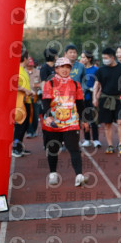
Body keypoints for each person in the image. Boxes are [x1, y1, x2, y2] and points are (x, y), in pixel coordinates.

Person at [41, 57, 89, 186]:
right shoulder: (50, 84)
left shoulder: (75, 84)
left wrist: (84, 120)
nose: (65, 69)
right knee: (53, 148)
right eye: (62, 67)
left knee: (74, 148)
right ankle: (53, 174)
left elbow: (80, 104)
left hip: (71, 122)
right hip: (53, 123)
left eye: (68, 67)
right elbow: (45, 102)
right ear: (56, 69)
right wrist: (48, 116)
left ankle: (79, 175)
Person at [92, 47, 121, 154]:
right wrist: (94, 98)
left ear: (112, 57)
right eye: (103, 58)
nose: (104, 60)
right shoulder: (100, 70)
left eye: (106, 58)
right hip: (105, 99)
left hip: (120, 99)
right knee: (107, 123)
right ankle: (110, 145)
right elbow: (96, 85)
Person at [13, 49, 34, 157]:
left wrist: (30, 92)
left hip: (27, 101)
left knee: (25, 126)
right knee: (20, 126)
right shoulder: (16, 70)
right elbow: (13, 84)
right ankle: (15, 147)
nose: (29, 59)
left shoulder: (23, 70)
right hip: (20, 102)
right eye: (28, 57)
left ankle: (19, 147)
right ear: (25, 58)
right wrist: (25, 90)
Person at [79, 51, 101, 148]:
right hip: (82, 97)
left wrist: (96, 95)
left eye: (84, 57)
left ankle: (96, 139)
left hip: (92, 96)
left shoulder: (96, 70)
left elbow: (99, 83)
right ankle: (87, 139)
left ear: (89, 59)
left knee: (94, 118)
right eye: (81, 57)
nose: (82, 59)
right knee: (84, 118)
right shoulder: (80, 69)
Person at [25, 56, 42, 138]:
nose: (30, 65)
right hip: (25, 97)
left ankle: (33, 130)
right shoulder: (23, 72)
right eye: (28, 64)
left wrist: (37, 85)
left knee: (35, 114)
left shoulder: (38, 72)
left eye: (31, 64)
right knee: (27, 115)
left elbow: (43, 83)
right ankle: (29, 131)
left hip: (35, 97)